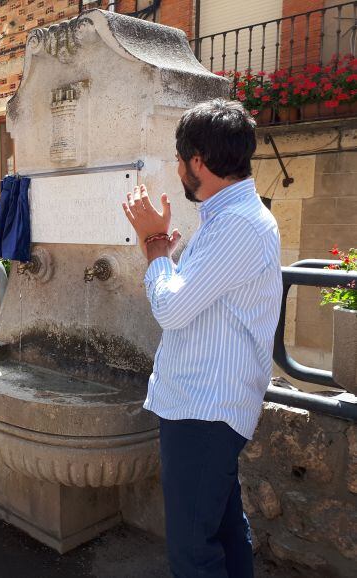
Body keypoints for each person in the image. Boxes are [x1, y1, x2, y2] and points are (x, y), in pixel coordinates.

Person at [121, 99, 282, 577]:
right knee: (225, 530)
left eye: (179, 158)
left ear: (197, 162)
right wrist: (169, 255)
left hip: (204, 410)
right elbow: (196, 303)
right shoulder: (228, 221)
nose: (176, 168)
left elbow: (170, 308)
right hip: (205, 406)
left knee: (193, 552)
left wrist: (154, 248)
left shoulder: (237, 225)